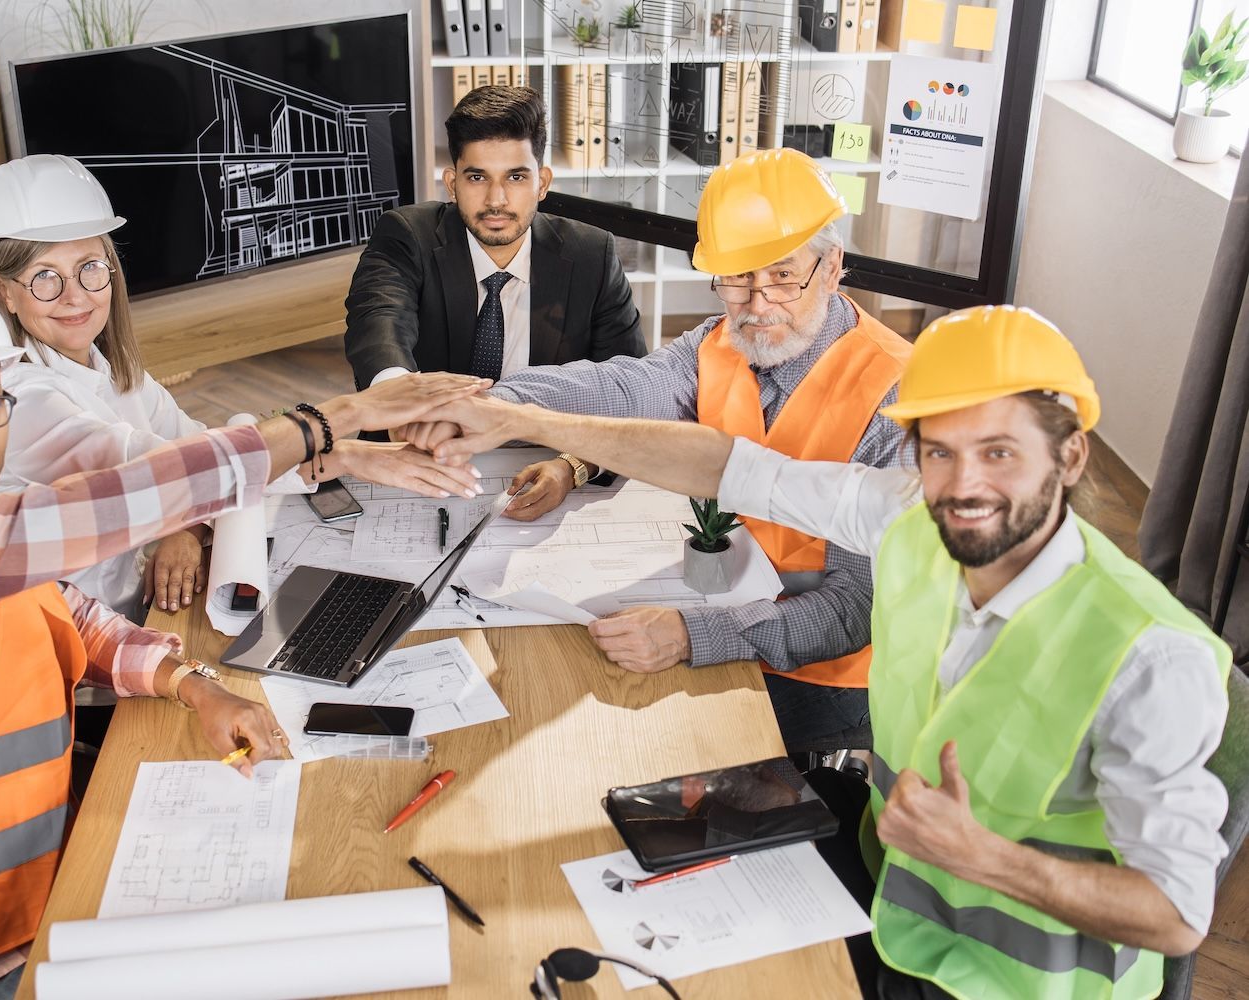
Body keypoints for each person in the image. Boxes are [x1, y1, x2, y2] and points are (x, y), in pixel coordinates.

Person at [423, 305, 1230, 999]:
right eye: (938, 450)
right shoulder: (911, 517)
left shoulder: (1150, 656)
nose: (963, 485)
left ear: (1073, 455)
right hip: (891, 893)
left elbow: (1177, 912)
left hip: (998, 981)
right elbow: (728, 465)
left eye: (1000, 452)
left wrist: (985, 858)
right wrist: (530, 421)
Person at [0, 274, 485, 1000]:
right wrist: (337, 417)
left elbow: (65, 610)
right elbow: (116, 503)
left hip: (24, 889)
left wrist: (189, 683)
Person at [407, 148, 912, 751]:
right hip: (724, 586)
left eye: (781, 275)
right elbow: (626, 389)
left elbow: (853, 611)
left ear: (832, 268)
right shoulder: (720, 342)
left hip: (826, 671)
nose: (756, 305)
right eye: (737, 279)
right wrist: (497, 405)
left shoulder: (899, 398)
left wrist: (691, 635)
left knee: (624, 738)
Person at [0, 154, 478, 619]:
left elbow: (199, 446)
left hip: (155, 612)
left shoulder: (112, 367)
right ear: (6, 292)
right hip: (90, 658)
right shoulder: (21, 402)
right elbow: (171, 471)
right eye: (45, 277)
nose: (75, 296)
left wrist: (189, 524)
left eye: (90, 269)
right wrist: (352, 415)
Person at [342, 85, 646, 407]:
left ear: (541, 184)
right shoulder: (407, 235)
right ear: (452, 184)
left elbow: (627, 384)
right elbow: (379, 320)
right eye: (477, 178)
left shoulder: (593, 256)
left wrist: (570, 459)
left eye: (515, 178)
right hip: (426, 439)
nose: (496, 200)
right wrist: (400, 401)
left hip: (543, 446)